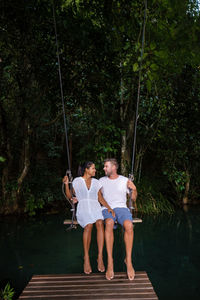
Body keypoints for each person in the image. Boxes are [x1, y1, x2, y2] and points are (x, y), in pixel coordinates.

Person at [63, 161, 115, 275]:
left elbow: (100, 198)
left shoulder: (96, 182)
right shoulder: (77, 181)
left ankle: (100, 256)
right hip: (83, 208)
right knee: (88, 226)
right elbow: (70, 196)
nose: (95, 170)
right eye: (93, 168)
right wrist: (67, 184)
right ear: (86, 169)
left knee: (100, 223)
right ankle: (86, 258)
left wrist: (109, 208)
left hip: (95, 207)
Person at [99, 158, 137, 281]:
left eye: (106, 166)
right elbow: (97, 197)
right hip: (106, 208)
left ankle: (128, 260)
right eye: (104, 166)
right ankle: (110, 261)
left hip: (122, 208)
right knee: (109, 223)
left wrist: (134, 189)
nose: (104, 168)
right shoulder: (101, 181)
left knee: (129, 226)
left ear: (114, 167)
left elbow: (133, 198)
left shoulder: (124, 180)